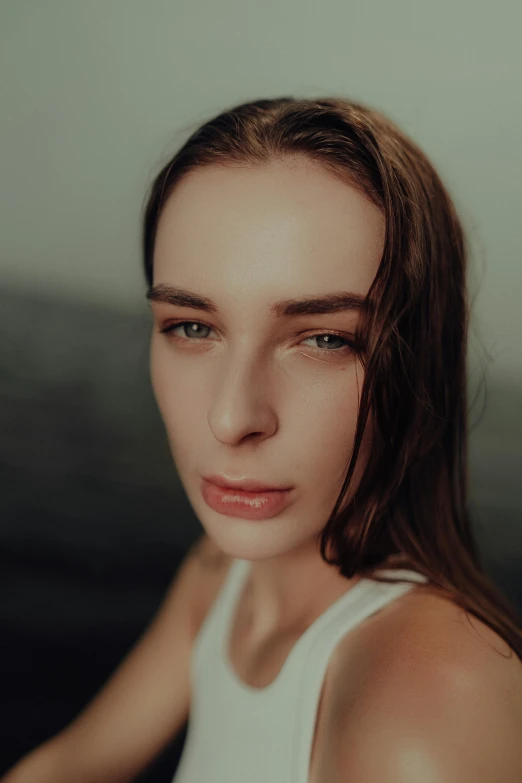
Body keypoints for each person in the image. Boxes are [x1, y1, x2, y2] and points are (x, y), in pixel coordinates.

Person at [3, 96, 522, 782]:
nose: (231, 417)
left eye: (325, 339)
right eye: (192, 325)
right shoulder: (221, 576)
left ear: (416, 364)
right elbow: (70, 765)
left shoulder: (431, 700)